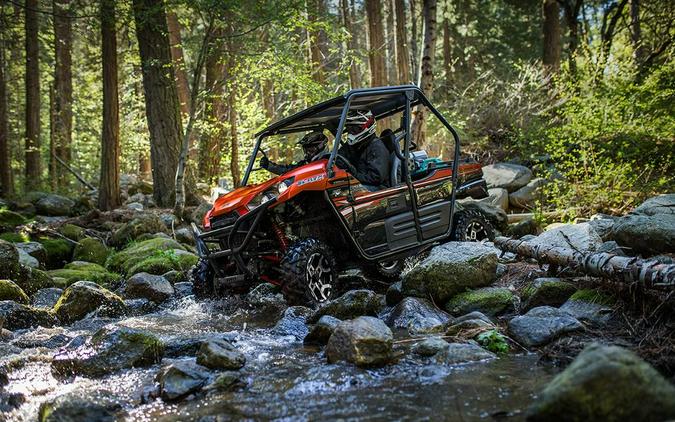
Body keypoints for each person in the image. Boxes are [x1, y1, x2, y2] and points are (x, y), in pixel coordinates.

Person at [337, 109, 390, 190]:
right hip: (361, 183)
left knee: (346, 193)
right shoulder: (354, 145)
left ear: (367, 127)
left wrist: (353, 174)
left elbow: (376, 178)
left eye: (355, 128)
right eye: (349, 129)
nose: (351, 132)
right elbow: (339, 156)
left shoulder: (376, 147)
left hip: (377, 188)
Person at [261, 131, 328, 175]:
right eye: (305, 149)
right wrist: (268, 165)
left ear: (321, 147)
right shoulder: (305, 163)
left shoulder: (331, 160)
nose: (307, 152)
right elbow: (287, 171)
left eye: (310, 149)